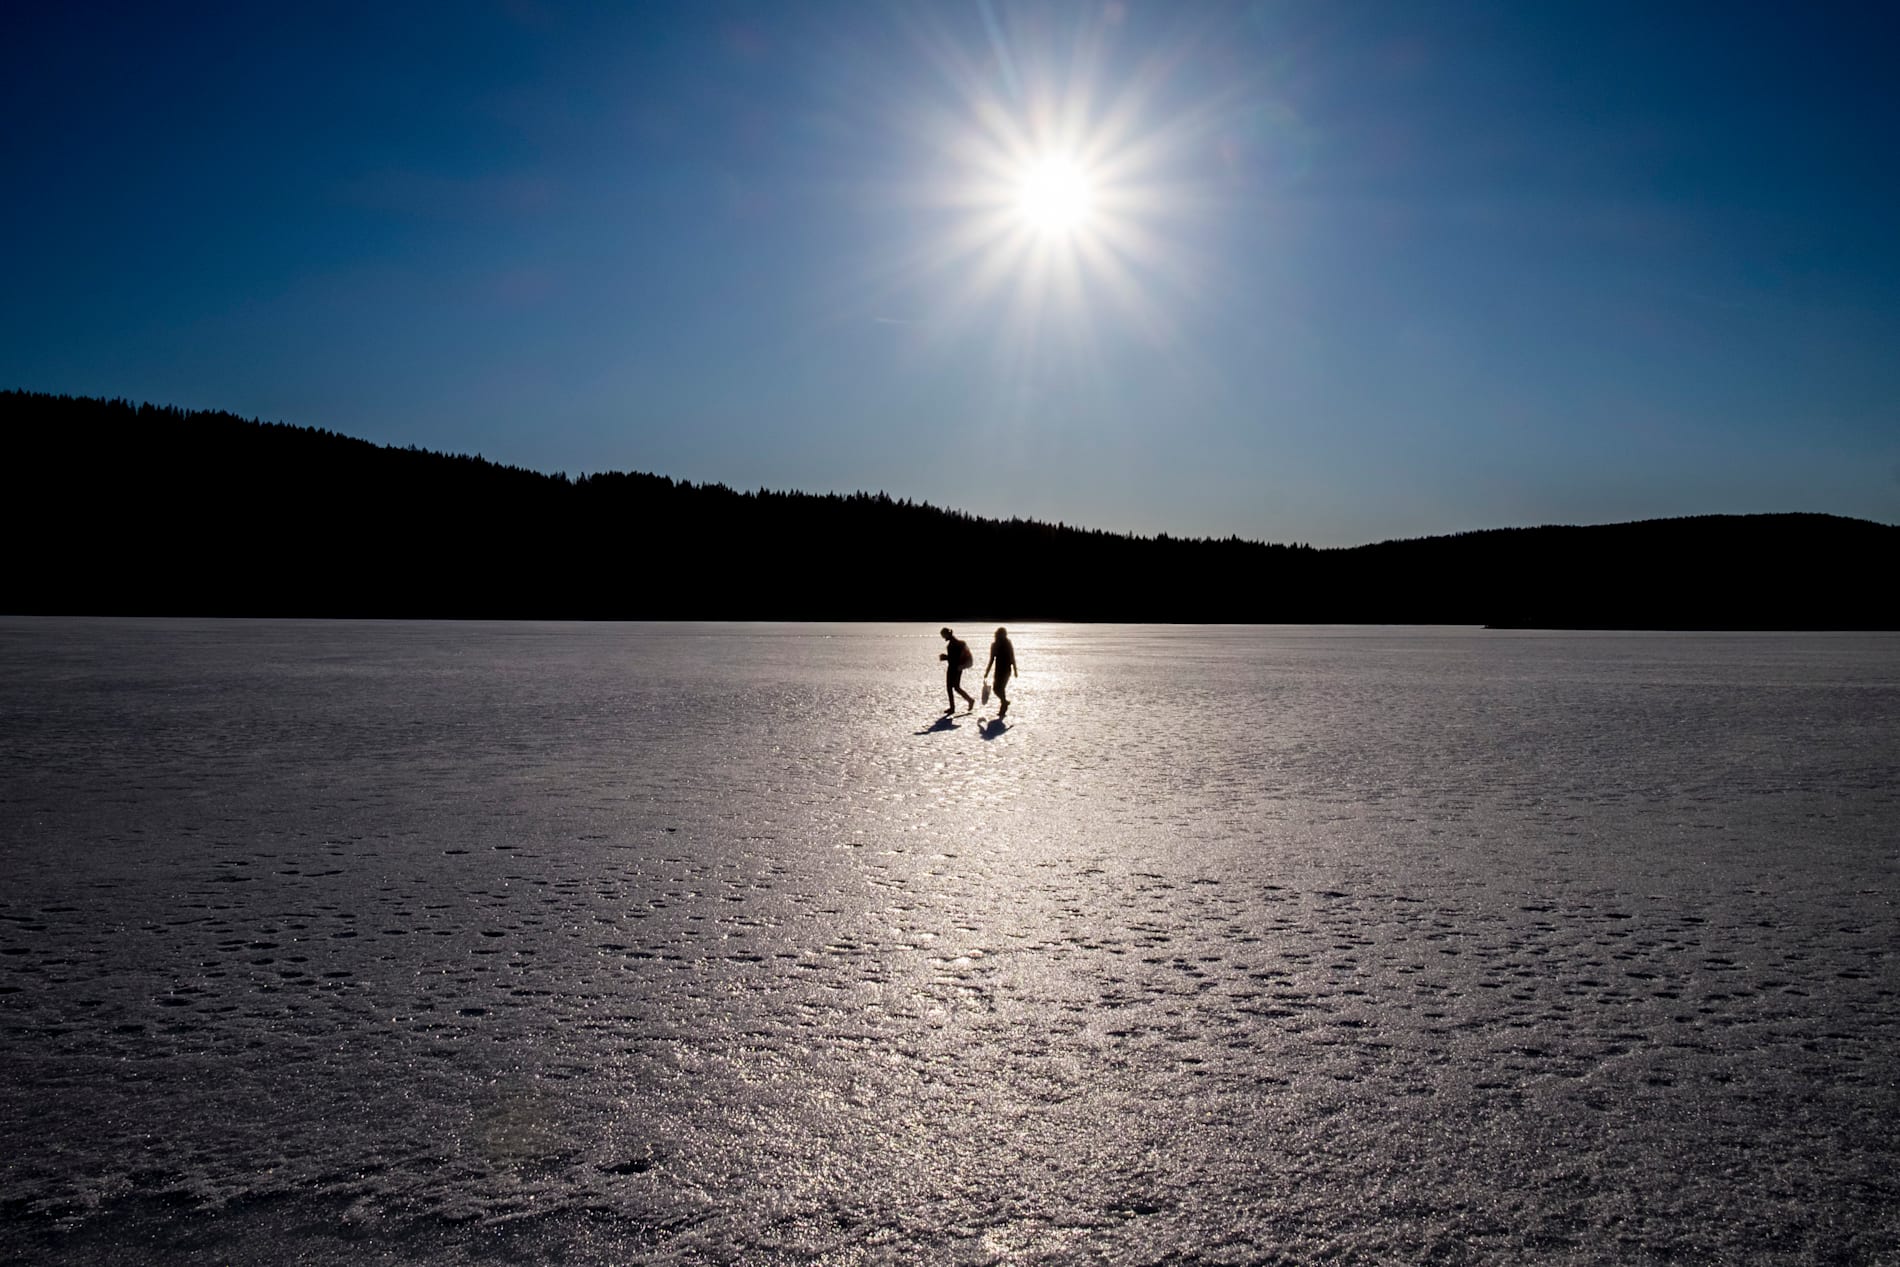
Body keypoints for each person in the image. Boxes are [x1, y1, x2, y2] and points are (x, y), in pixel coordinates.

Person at [983, 627, 1018, 718]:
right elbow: (991, 659)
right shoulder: (994, 645)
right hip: (998, 670)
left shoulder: (1007, 644)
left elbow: (1012, 656)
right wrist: (987, 671)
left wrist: (1015, 669)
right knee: (996, 689)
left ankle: (1003, 707)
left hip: (1006, 670)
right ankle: (1004, 702)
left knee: (1000, 688)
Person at [938, 627, 975, 714]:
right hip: (957, 668)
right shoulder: (955, 642)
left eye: (943, 635)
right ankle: (968, 700)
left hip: (954, 668)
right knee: (956, 687)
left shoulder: (953, 644)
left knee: (951, 687)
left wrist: (945, 657)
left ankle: (953, 707)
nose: (943, 637)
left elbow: (954, 658)